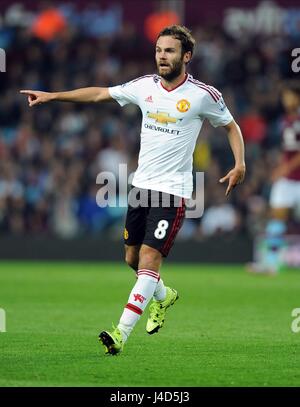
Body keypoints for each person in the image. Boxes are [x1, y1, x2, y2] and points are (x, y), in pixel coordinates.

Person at [20, 25, 246, 355]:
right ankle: (163, 295)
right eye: (158, 50)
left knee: (150, 259)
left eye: (169, 51)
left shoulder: (203, 95)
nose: (162, 56)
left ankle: (120, 333)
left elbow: (231, 126)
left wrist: (239, 164)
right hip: (141, 188)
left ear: (186, 56)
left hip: (173, 192)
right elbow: (100, 93)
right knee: (132, 258)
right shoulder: (143, 87)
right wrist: (54, 96)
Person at [247, 81, 300, 274]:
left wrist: (284, 168)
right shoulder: (285, 120)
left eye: (290, 96)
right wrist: (280, 166)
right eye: (284, 97)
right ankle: (270, 263)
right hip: (287, 180)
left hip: (295, 177)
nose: (286, 100)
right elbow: (288, 150)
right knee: (276, 220)